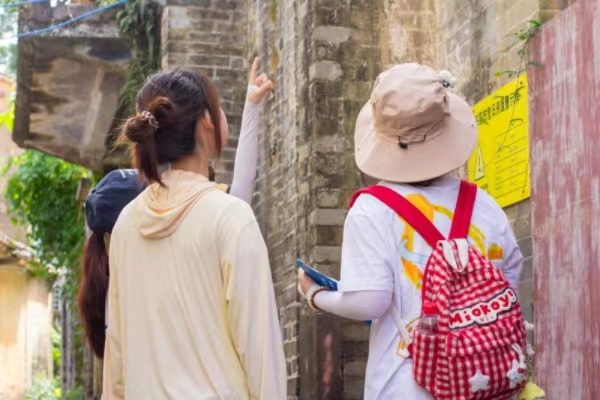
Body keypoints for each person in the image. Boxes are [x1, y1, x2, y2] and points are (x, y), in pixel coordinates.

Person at [297, 63, 523, 399]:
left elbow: (371, 302)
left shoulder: (372, 208)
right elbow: (510, 280)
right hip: (487, 383)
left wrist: (316, 295)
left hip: (405, 386)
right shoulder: (484, 204)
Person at [92, 63, 285, 399]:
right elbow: (261, 356)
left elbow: (117, 360)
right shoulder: (230, 218)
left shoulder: (126, 224)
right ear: (207, 121)